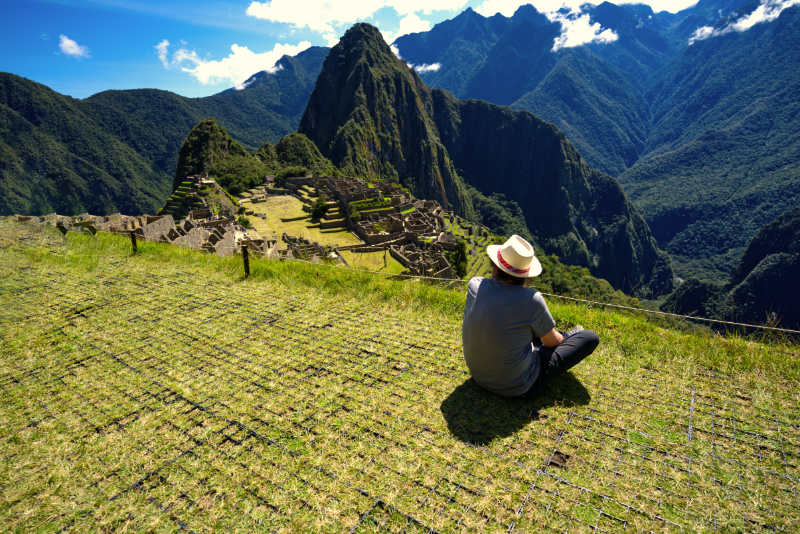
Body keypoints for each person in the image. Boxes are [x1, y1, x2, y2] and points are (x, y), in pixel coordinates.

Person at [462, 234, 599, 397]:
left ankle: (564, 334)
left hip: (478, 375)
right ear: (525, 275)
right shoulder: (531, 300)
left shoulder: (475, 285)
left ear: (495, 264)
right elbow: (552, 343)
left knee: (522, 329)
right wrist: (561, 339)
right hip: (517, 386)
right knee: (589, 337)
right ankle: (571, 335)